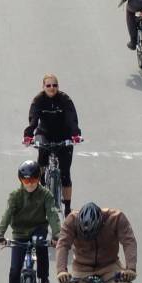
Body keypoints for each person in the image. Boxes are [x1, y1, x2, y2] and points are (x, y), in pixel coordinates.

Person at [0, 160, 61, 283]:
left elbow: (52, 215)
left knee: (40, 244)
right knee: (14, 270)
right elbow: (7, 215)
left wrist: (57, 235)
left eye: (33, 180)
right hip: (19, 233)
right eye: (26, 180)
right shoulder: (15, 196)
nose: (29, 184)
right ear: (20, 180)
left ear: (39, 179)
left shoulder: (46, 195)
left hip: (38, 229)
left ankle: (44, 281)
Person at [25, 75, 81, 217]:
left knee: (66, 173)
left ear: (58, 86)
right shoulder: (38, 100)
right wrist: (28, 135)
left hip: (64, 136)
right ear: (43, 87)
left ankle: (67, 208)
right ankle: (41, 192)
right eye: (48, 86)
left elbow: (71, 118)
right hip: (45, 134)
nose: (52, 88)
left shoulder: (65, 99)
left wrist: (75, 134)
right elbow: (33, 119)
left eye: (54, 85)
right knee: (40, 166)